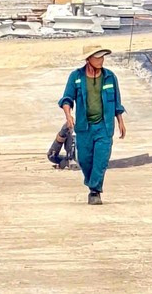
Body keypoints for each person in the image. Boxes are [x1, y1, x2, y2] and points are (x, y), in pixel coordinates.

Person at [58, 47, 126, 205]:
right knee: (85, 159)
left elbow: (116, 102)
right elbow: (67, 99)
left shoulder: (110, 77)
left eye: (102, 58)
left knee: (101, 159)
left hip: (104, 126)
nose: (101, 61)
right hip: (84, 127)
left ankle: (95, 191)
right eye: (97, 58)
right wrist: (68, 116)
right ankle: (91, 184)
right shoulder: (76, 77)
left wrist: (120, 122)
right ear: (88, 59)